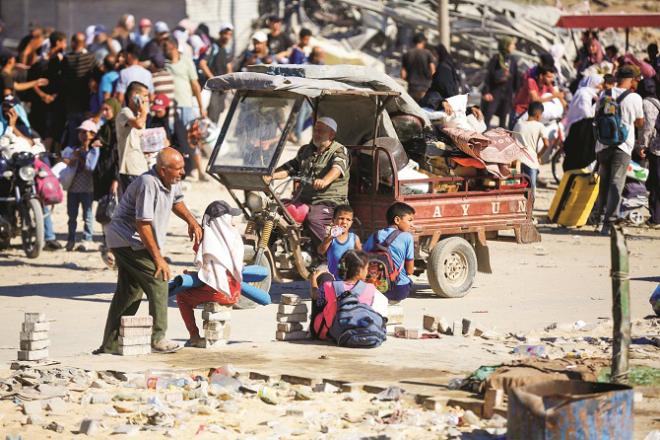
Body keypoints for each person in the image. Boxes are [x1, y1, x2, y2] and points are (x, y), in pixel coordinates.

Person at [98, 147, 202, 354]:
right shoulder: (148, 183)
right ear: (163, 170)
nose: (182, 172)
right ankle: (158, 338)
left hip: (133, 241)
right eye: (177, 169)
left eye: (183, 167)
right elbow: (142, 223)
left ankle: (109, 345)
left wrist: (192, 221)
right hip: (127, 239)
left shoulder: (171, 181)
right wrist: (158, 258)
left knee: (129, 292)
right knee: (159, 279)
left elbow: (177, 201)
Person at [271, 117, 350, 247]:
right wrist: (271, 176)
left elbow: (337, 169)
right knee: (276, 211)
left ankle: (328, 253)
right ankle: (270, 247)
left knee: (314, 219)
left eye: (321, 131)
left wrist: (324, 181)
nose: (316, 134)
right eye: (315, 130)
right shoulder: (305, 150)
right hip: (304, 199)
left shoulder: (339, 150)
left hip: (329, 201)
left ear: (331, 134)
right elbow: (290, 168)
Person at [176, 200, 243, 347]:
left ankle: (194, 335)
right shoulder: (235, 236)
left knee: (182, 296)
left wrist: (191, 275)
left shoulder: (205, 239)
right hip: (235, 292)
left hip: (216, 292)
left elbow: (207, 273)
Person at [593, 66, 645, 234]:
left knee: (604, 182)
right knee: (616, 183)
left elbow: (596, 117)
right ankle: (610, 223)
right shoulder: (634, 98)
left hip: (603, 145)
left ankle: (599, 218)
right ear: (631, 80)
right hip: (622, 146)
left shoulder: (604, 95)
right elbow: (640, 123)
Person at [312, 250, 389, 339]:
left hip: (331, 334)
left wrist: (313, 279)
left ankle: (314, 333)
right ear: (360, 270)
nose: (367, 271)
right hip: (360, 331)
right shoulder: (370, 289)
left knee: (321, 290)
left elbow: (316, 297)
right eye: (366, 268)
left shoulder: (329, 286)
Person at [164, 37, 207, 179]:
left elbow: (195, 85)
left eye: (168, 48)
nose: (165, 51)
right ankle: (188, 170)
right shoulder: (164, 64)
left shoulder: (186, 61)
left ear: (175, 48)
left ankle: (200, 171)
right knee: (178, 142)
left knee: (192, 138)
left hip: (186, 106)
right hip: (169, 109)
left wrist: (201, 107)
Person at [363, 202, 416, 303]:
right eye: (409, 220)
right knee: (408, 281)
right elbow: (410, 271)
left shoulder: (375, 235)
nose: (411, 224)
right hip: (398, 290)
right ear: (397, 220)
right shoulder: (407, 237)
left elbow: (362, 257)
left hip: (374, 287)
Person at [62, 119, 98, 251]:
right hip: (73, 188)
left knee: (87, 216)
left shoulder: (94, 150)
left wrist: (80, 156)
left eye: (85, 132)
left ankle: (87, 239)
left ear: (92, 134)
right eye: (80, 132)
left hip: (87, 188)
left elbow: (90, 167)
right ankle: (71, 240)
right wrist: (70, 159)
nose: (82, 135)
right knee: (72, 216)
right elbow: (66, 161)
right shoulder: (74, 149)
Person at [562, 74, 603, 171]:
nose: (601, 87)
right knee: (575, 156)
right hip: (578, 128)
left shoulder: (592, 95)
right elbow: (585, 112)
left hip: (586, 130)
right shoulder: (583, 93)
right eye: (599, 85)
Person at [62, 32, 96, 146]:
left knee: (73, 135)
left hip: (71, 104)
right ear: (84, 43)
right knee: (87, 134)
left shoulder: (67, 58)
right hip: (86, 103)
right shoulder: (90, 57)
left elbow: (63, 77)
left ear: (73, 42)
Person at [116, 81, 150, 191]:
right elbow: (138, 124)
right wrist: (144, 111)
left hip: (141, 167)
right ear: (134, 96)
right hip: (130, 168)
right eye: (144, 96)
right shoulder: (125, 112)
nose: (147, 100)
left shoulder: (140, 115)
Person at [636, 78, 660, 228]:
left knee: (655, 183)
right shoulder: (658, 101)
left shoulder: (645, 103)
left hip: (656, 148)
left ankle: (656, 218)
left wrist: (642, 145)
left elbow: (648, 127)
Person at [199, 23, 233, 123]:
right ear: (220, 34)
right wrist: (213, 79)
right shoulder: (213, 47)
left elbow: (228, 66)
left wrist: (229, 83)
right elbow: (202, 63)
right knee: (211, 117)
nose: (227, 36)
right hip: (212, 88)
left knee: (219, 114)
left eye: (229, 34)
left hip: (222, 89)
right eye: (225, 34)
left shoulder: (226, 49)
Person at [482, 37, 519, 129]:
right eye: (512, 44)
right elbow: (488, 76)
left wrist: (516, 93)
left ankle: (501, 140)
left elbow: (515, 77)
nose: (514, 46)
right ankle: (484, 136)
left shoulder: (512, 60)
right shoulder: (496, 58)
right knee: (488, 116)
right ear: (506, 45)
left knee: (503, 118)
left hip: (507, 93)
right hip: (495, 92)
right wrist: (486, 92)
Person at [513, 101, 549, 196]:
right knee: (531, 191)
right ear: (538, 114)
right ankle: (529, 209)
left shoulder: (518, 124)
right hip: (531, 162)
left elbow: (513, 141)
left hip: (518, 161)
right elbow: (546, 144)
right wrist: (538, 156)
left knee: (519, 188)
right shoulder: (540, 126)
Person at [317, 204, 362, 280]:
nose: (344, 222)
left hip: (349, 279)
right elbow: (320, 251)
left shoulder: (354, 238)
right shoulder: (330, 238)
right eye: (341, 218)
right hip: (333, 278)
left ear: (351, 223)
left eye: (348, 219)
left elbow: (361, 258)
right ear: (333, 220)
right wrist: (330, 238)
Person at [401, 33, 435, 102]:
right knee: (424, 109)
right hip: (425, 88)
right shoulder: (428, 53)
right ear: (423, 42)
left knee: (413, 109)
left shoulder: (407, 54)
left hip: (412, 88)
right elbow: (433, 70)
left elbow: (403, 74)